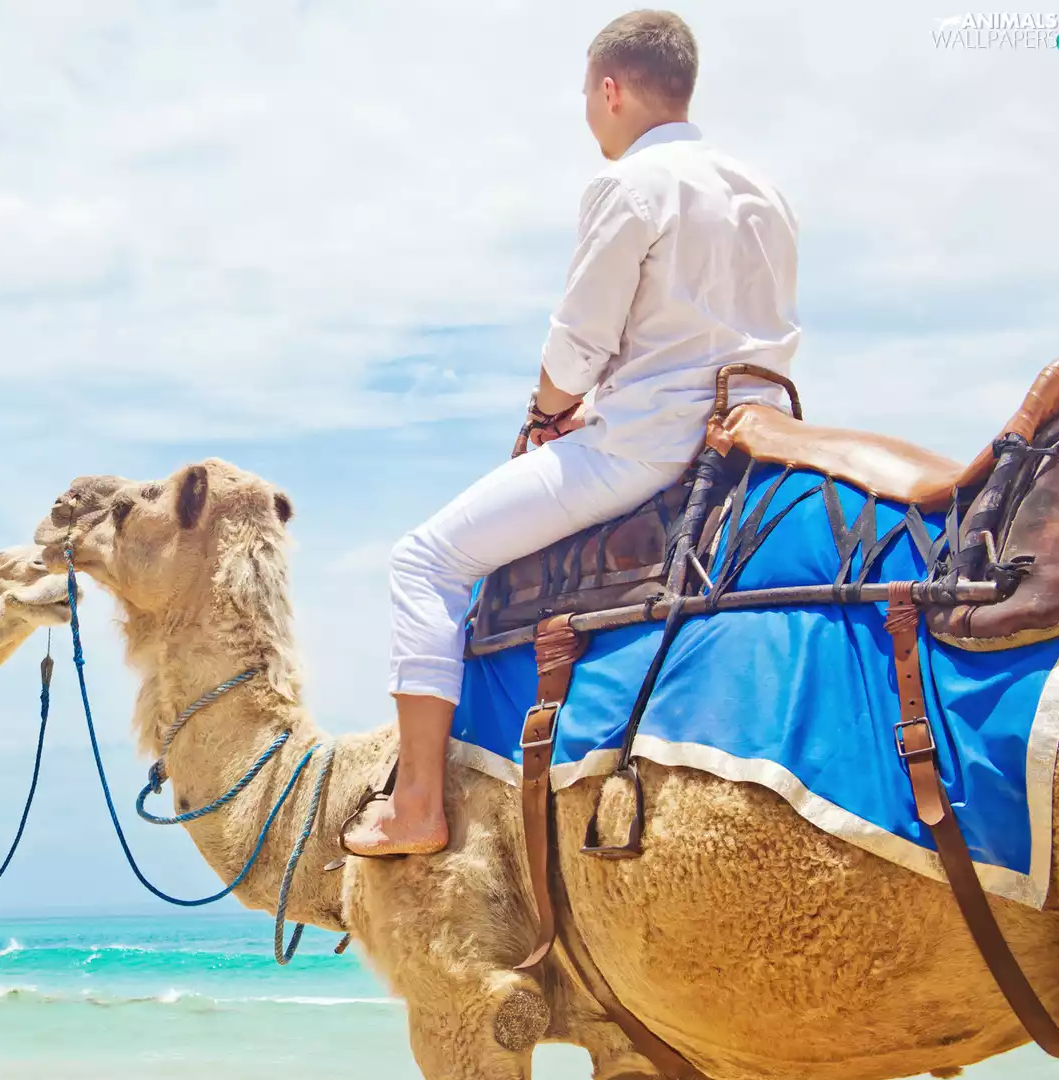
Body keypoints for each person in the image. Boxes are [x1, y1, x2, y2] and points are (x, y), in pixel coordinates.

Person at [342, 10, 800, 857]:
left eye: (588, 95)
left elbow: (578, 346)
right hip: (756, 432)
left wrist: (547, 414)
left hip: (650, 448)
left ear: (611, 88)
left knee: (423, 560)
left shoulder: (631, 186)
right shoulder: (762, 190)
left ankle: (415, 807)